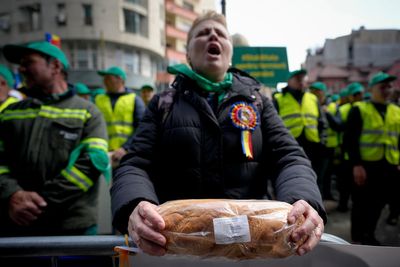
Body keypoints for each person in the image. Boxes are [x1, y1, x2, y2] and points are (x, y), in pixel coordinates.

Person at [111, 11, 326, 257]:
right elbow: (135, 163)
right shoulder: (164, 103)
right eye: (202, 33)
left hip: (253, 247)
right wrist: (133, 204)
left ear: (229, 53)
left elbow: (290, 157)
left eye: (221, 34)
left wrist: (304, 200)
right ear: (188, 54)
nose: (213, 35)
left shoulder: (258, 102)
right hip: (176, 247)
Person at [0, 41, 110, 236]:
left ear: (55, 66)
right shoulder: (10, 113)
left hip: (73, 227)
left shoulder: (88, 112)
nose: (22, 69)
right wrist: (12, 195)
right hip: (17, 226)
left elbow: (92, 163)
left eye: (29, 62)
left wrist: (40, 202)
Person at [344, 72, 399, 245]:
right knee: (361, 204)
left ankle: (369, 235)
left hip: (389, 165)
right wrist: (356, 165)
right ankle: (357, 238)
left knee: (378, 204)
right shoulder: (360, 109)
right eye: (382, 87)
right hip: (366, 166)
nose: (387, 90)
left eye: (389, 86)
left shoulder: (396, 111)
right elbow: (350, 140)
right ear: (372, 89)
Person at [273, 70, 328, 188]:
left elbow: (322, 122)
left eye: (303, 78)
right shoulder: (278, 98)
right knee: (294, 178)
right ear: (289, 81)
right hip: (290, 145)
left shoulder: (313, 98)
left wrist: (322, 141)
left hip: (313, 145)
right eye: (298, 78)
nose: (301, 82)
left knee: (315, 178)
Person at [95, 66, 145, 168]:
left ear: (120, 79)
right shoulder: (98, 99)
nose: (104, 81)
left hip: (127, 155)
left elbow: (141, 128)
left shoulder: (134, 99)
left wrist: (125, 148)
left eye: (108, 77)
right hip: (103, 155)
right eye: (104, 78)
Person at [336, 82, 364, 212]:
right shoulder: (344, 109)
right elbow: (340, 127)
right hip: (345, 151)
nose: (358, 96)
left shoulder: (363, 109)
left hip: (357, 154)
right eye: (355, 94)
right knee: (344, 183)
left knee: (354, 185)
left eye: (359, 94)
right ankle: (343, 204)